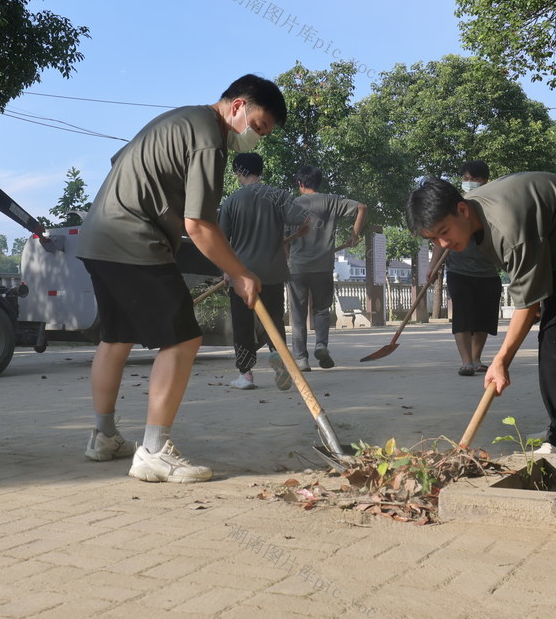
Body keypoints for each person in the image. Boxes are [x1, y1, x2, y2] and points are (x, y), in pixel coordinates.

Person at [76, 74, 286, 483]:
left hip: (97, 235)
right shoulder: (210, 136)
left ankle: (103, 436)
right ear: (238, 106)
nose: (255, 138)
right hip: (133, 238)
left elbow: (121, 160)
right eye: (258, 127)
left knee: (116, 337)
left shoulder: (180, 119)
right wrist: (240, 272)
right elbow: (200, 224)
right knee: (184, 337)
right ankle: (153, 451)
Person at [406, 174, 556, 454]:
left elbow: (528, 305)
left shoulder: (507, 229)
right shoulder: (475, 213)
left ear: (462, 210)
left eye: (444, 232)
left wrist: (501, 361)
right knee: (552, 332)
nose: (443, 244)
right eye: (434, 239)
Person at [218, 152, 309, 391]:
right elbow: (304, 219)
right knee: (274, 320)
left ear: (239, 172)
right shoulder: (277, 195)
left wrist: (227, 270)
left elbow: (220, 239)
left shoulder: (232, 200)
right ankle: (278, 354)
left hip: (241, 275)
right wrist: (292, 236)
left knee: (242, 325)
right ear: (261, 171)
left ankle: (246, 375)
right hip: (273, 272)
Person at [287, 165, 367, 371]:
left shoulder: (291, 204)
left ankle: (301, 359)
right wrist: (354, 235)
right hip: (323, 266)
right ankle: (321, 345)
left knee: (298, 315)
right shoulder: (331, 200)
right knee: (321, 310)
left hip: (297, 267)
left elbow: (283, 240)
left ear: (300, 183)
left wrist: (286, 260)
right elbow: (362, 207)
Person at [429, 161, 502, 376]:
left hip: (488, 272)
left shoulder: (491, 205)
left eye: (474, 180)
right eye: (466, 179)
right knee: (462, 317)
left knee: (483, 319)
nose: (469, 183)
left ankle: (477, 358)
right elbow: (439, 240)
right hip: (459, 271)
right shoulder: (454, 206)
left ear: (485, 181)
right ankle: (466, 361)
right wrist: (432, 267)